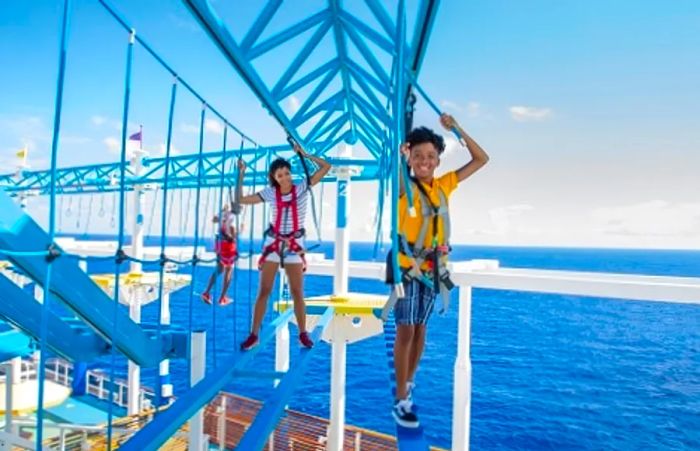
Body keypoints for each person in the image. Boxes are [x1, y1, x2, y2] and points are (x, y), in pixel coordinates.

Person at [390, 113, 489, 428]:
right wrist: (400, 153)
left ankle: (408, 383)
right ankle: (401, 398)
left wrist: (457, 128)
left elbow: (481, 158)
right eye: (418, 155)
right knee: (406, 330)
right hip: (407, 268)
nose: (424, 161)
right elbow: (395, 171)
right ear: (410, 158)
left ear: (438, 160)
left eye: (430, 156)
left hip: (433, 269)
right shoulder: (404, 186)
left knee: (420, 329)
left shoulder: (445, 184)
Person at [233, 144, 331, 351]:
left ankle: (302, 334)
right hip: (274, 244)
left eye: (287, 173)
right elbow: (241, 199)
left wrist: (305, 154)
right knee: (264, 291)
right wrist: (241, 175)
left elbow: (326, 167)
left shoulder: (303, 187)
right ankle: (254, 335)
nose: (285, 178)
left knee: (297, 291)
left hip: (294, 245)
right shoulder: (270, 193)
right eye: (280, 175)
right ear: (274, 178)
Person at [201, 203, 238, 305]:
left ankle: (207, 292)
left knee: (219, 269)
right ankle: (222, 297)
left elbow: (214, 219)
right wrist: (235, 237)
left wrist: (222, 212)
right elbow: (232, 228)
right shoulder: (233, 216)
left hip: (219, 244)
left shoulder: (223, 214)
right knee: (229, 270)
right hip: (228, 245)